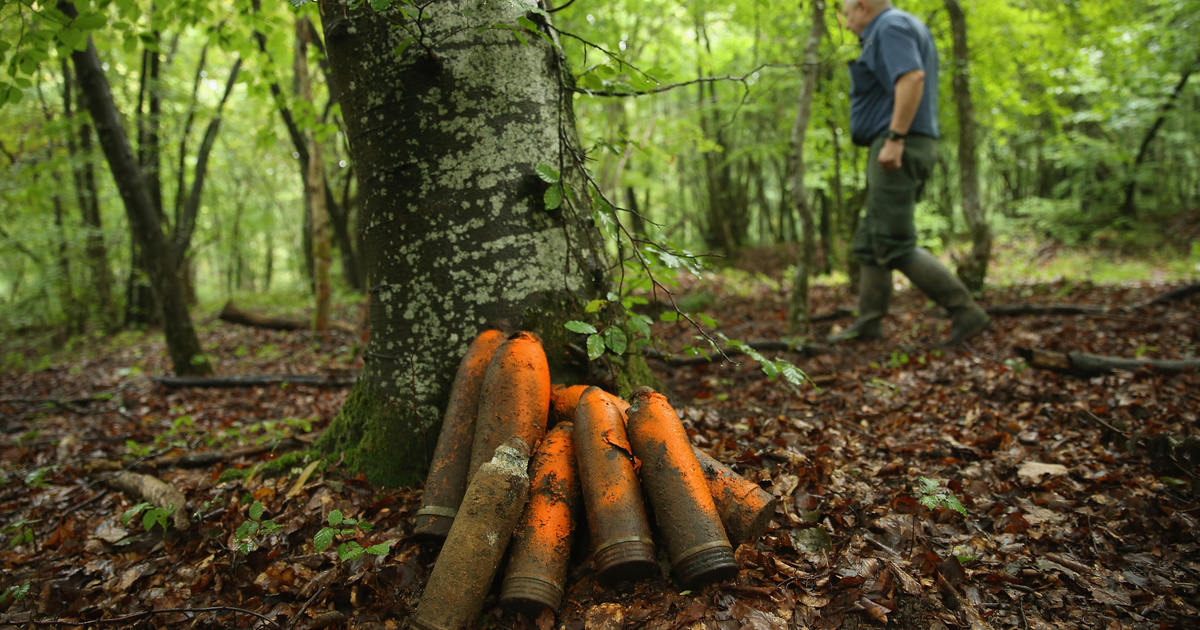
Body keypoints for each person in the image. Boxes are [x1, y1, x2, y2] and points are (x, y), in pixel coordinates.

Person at [830, 0, 990, 345]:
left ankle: (965, 311)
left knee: (894, 242)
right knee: (871, 240)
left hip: (899, 144)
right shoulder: (900, 25)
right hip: (898, 142)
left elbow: (912, 76)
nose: (845, 24)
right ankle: (869, 322)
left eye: (846, 14)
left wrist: (895, 137)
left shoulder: (889, 26)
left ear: (862, 7)